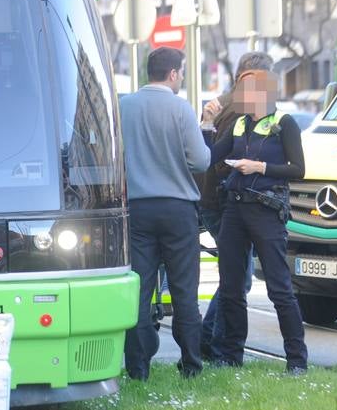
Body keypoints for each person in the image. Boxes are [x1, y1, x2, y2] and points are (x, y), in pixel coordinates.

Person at [207, 68, 309, 373]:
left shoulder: (284, 123)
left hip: (266, 211)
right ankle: (231, 355)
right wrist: (206, 124)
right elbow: (210, 156)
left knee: (279, 289)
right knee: (231, 287)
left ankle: (296, 360)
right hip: (235, 210)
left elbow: (298, 169)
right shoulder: (238, 123)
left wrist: (260, 167)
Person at [117, 47, 209, 379]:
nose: (181, 78)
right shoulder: (181, 109)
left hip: (138, 210)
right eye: (181, 73)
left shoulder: (124, 106)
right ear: (172, 74)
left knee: (139, 291)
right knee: (184, 291)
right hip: (177, 210)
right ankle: (191, 365)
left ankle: (138, 368)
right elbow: (200, 161)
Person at [196, 52, 273, 362]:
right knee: (237, 278)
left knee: (237, 276)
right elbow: (218, 159)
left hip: (218, 201)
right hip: (224, 203)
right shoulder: (238, 108)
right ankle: (213, 341)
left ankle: (211, 339)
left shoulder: (231, 103)